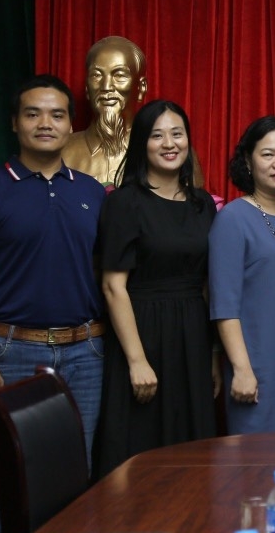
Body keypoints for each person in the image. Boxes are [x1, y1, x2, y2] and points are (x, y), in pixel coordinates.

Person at [0, 74, 107, 532]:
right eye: (33, 114)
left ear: (70, 125)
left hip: (86, 353)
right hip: (10, 351)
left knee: (74, 480)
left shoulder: (92, 193)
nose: (45, 123)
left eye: (57, 115)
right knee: (0, 484)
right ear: (15, 123)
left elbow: (108, 276)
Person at [93, 100, 217, 477]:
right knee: (139, 446)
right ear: (142, 143)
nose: (169, 143)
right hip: (142, 330)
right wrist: (136, 360)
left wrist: (213, 355)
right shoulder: (125, 203)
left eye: (177, 134)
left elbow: (209, 282)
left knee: (192, 449)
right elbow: (113, 286)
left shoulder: (203, 204)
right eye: (157, 135)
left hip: (192, 332)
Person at [209, 116, 275, 433]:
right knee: (256, 456)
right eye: (268, 154)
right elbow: (224, 305)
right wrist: (241, 369)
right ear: (248, 160)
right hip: (257, 365)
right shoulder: (232, 219)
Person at [62, 36, 148, 186]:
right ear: (87, 88)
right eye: (96, 75)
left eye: (119, 75)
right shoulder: (60, 151)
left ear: (141, 88)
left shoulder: (166, 152)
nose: (106, 86)